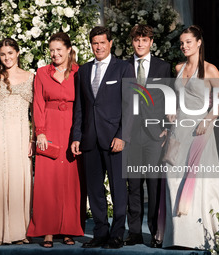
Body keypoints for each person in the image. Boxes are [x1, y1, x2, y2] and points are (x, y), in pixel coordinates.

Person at [156, 25, 219, 250]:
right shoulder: (178, 68)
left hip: (200, 131)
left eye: (188, 42)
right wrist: (171, 115)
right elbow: (178, 100)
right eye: (182, 43)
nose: (184, 46)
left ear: (199, 42)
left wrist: (208, 120)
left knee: (199, 184)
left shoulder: (210, 69)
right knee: (173, 179)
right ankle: (177, 237)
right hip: (178, 131)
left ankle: (199, 238)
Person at [71, 26, 134, 249]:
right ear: (91, 44)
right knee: (94, 190)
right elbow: (80, 107)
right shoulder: (83, 71)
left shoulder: (124, 68)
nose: (98, 46)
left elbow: (130, 105)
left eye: (102, 42)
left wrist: (122, 136)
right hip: (89, 140)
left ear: (110, 43)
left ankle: (117, 234)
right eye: (94, 43)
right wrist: (76, 136)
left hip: (114, 140)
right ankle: (100, 232)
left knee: (118, 188)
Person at [27, 32, 85, 248]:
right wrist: (39, 132)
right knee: (47, 181)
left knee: (71, 180)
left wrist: (81, 134)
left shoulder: (80, 72)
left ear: (69, 49)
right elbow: (38, 104)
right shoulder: (42, 73)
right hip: (49, 129)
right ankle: (48, 231)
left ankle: (69, 229)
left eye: (59, 49)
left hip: (73, 129)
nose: (55, 54)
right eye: (52, 50)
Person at [0, 38, 34, 246]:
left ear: (17, 53)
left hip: (20, 131)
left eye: (10, 53)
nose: (7, 57)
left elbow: (34, 111)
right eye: (3, 54)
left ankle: (20, 231)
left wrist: (34, 137)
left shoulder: (31, 77)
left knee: (20, 178)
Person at [124, 24, 171, 248]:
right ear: (132, 42)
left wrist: (166, 130)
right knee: (133, 185)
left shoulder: (163, 67)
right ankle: (134, 232)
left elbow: (170, 100)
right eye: (136, 40)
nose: (140, 44)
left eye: (144, 40)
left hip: (155, 136)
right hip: (131, 135)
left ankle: (155, 232)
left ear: (152, 42)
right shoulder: (123, 67)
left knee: (153, 185)